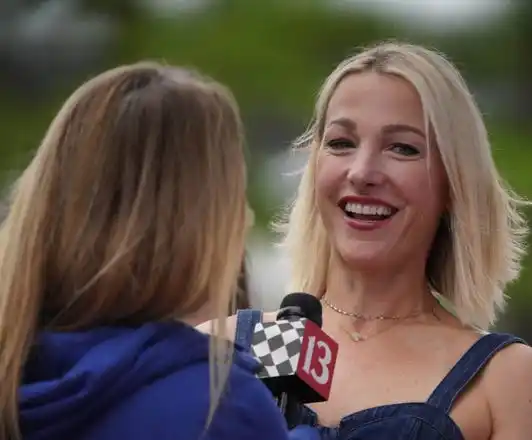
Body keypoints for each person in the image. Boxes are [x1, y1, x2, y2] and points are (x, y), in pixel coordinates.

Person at [224, 42, 532, 440]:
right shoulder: (222, 347)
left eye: (403, 148)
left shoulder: (505, 380)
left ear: (454, 183)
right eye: (341, 143)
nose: (362, 172)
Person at [0, 62, 317, 440]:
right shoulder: (221, 409)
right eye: (234, 198)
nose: (246, 220)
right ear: (199, 225)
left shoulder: (17, 370)